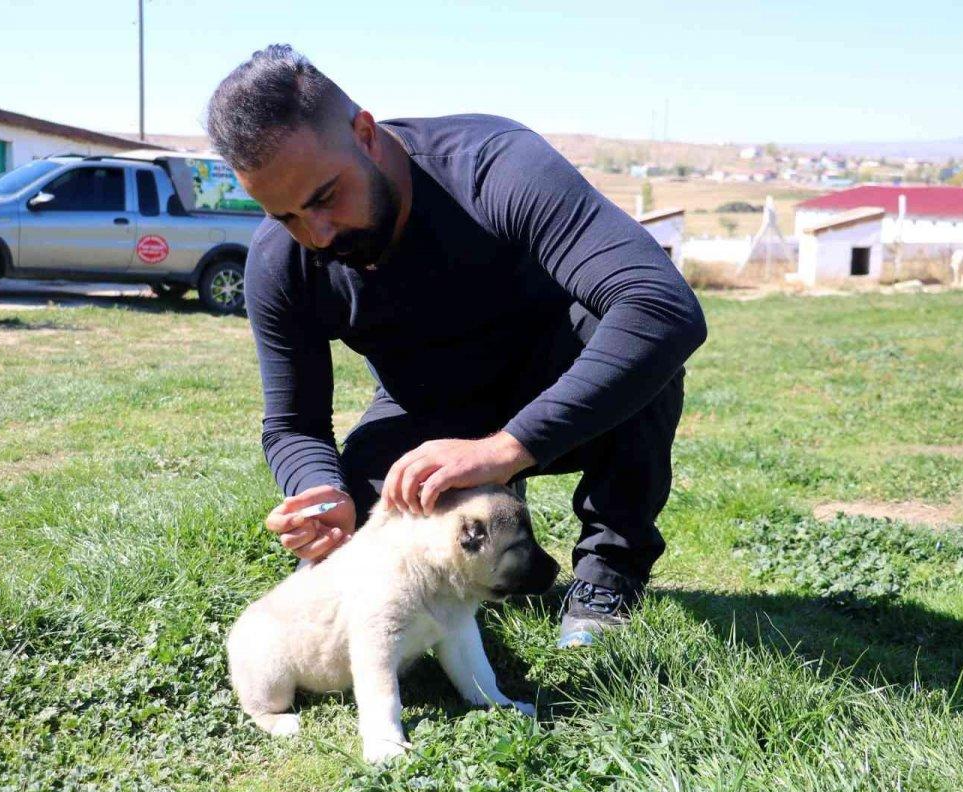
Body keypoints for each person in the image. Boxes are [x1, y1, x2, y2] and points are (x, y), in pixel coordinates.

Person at [206, 45, 707, 647]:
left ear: (364, 133)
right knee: (361, 542)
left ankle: (609, 571)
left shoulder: (493, 167)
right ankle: (486, 558)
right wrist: (320, 493)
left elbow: (661, 306)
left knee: (631, 342)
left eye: (324, 198)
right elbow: (293, 425)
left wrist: (505, 449)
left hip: (558, 386)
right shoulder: (282, 260)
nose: (317, 234)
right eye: (284, 215)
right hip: (428, 411)